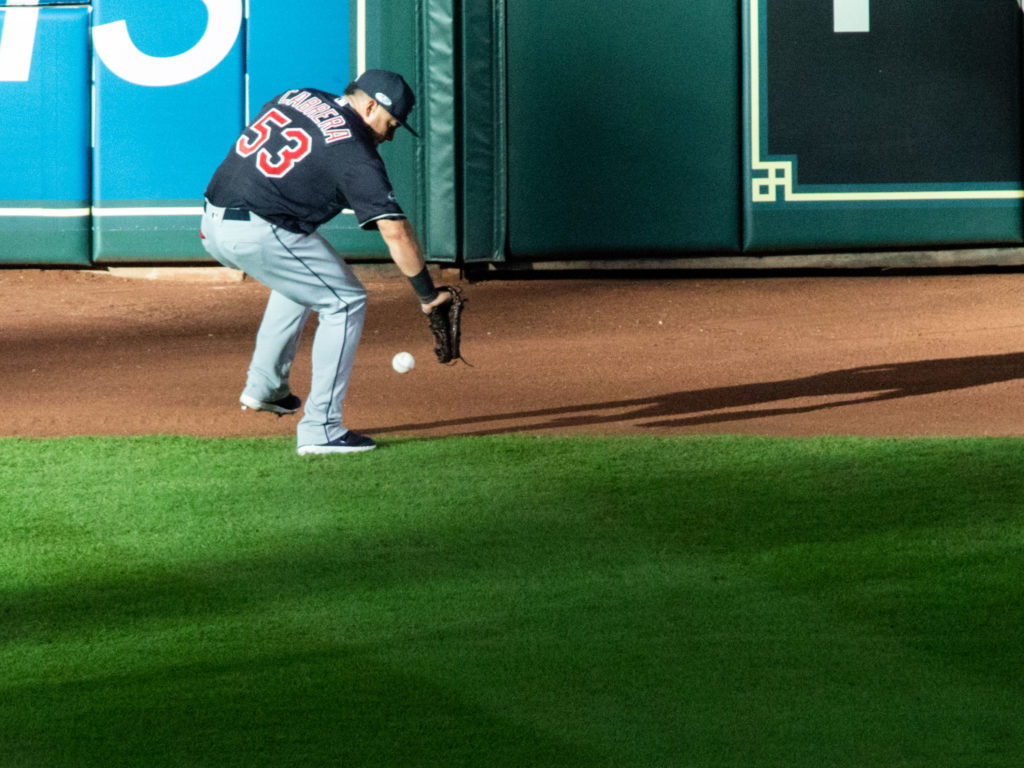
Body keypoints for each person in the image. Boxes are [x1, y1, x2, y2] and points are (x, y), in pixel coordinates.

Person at [200, 69, 449, 455]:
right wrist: (427, 295)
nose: (390, 134)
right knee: (345, 300)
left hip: (213, 221)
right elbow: (395, 232)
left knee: (304, 281)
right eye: (391, 122)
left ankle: (265, 387)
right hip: (258, 230)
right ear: (370, 105)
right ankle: (322, 428)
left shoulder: (299, 94)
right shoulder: (356, 154)